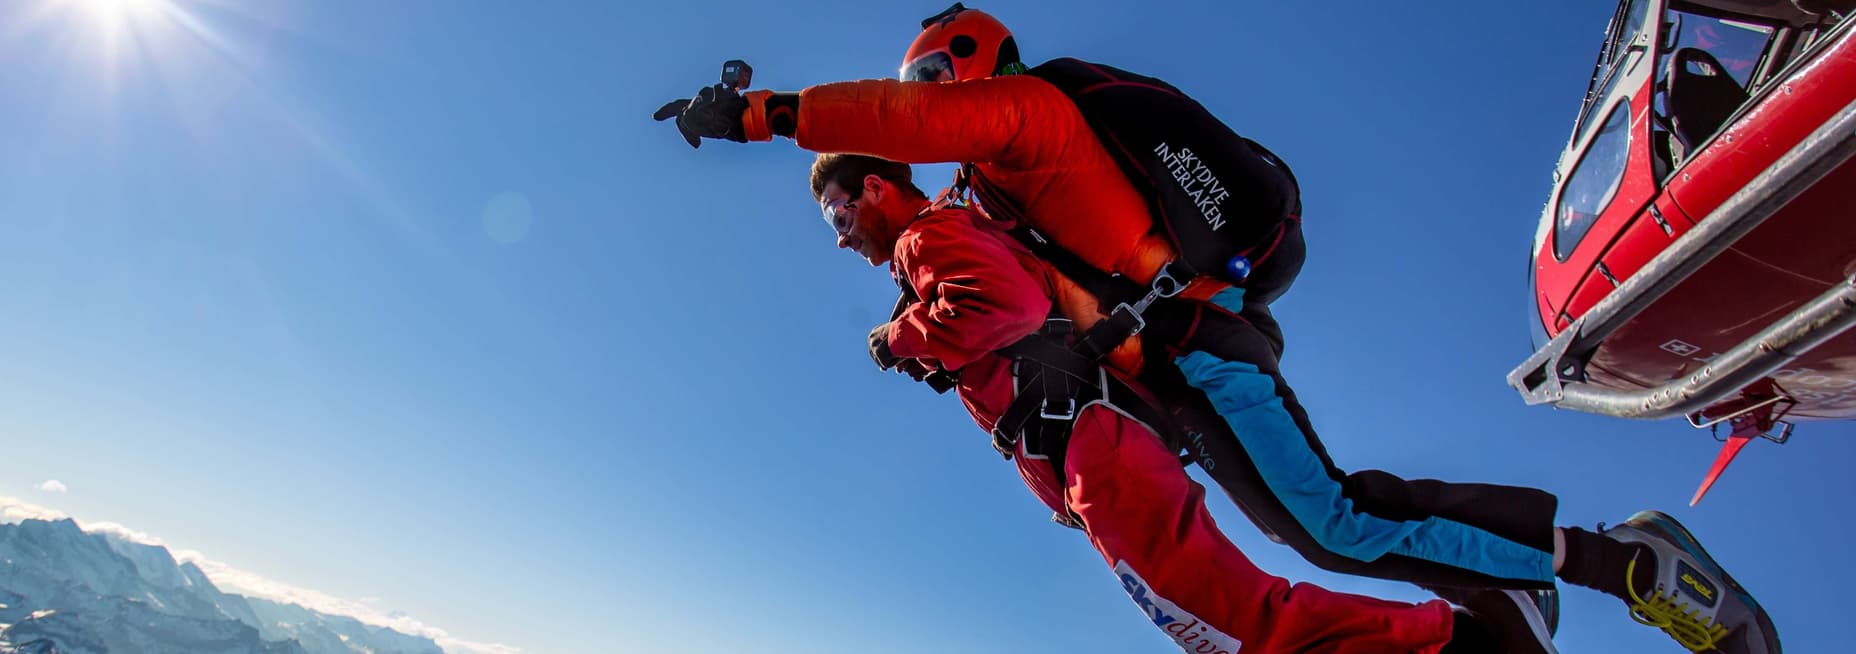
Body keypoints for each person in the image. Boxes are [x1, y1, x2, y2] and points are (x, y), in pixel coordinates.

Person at [655, 7, 1780, 653]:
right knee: (1320, 526)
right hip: (1182, 376)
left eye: (930, 80)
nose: (926, 111)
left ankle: (1619, 564)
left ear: (964, 65)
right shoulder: (992, 200)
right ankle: (1512, 592)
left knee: (1328, 523)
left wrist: (761, 116)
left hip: (1208, 352)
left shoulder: (1030, 115)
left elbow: (906, 133)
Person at [806, 152, 1549, 654]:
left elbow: (1007, 305)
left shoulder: (926, 235)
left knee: (1220, 616)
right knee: (1206, 618)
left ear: (875, 188)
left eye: (839, 216)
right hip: (1088, 445)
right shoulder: (941, 237)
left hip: (1091, 435)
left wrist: (902, 337)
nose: (841, 240)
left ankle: (1459, 640)